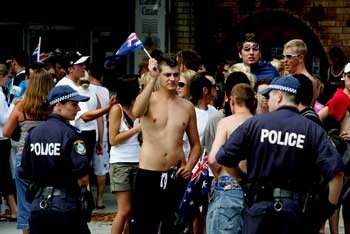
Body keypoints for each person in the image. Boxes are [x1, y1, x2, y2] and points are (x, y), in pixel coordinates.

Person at [216, 76, 344, 234]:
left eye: (269, 96)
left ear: (279, 96)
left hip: (259, 211)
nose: (268, 101)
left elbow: (223, 157)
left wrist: (244, 180)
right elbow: (337, 173)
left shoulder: (255, 124)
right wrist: (324, 212)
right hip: (296, 215)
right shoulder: (312, 129)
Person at [131, 53, 201, 234]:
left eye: (175, 74)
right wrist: (151, 79)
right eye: (167, 75)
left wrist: (190, 166)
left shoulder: (186, 107)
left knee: (176, 226)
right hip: (149, 172)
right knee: (143, 226)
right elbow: (136, 111)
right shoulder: (149, 99)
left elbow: (196, 145)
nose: (172, 79)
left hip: (176, 174)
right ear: (159, 75)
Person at [18, 85, 91, 234]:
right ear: (58, 106)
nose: (78, 109)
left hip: (38, 207)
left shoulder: (34, 133)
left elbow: (24, 171)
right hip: (66, 208)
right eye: (74, 104)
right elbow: (82, 175)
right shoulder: (71, 134)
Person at [3, 68, 55, 234]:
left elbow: (6, 132)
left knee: (25, 208)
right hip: (48, 157)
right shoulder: (52, 107)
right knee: (48, 203)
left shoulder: (21, 108)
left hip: (24, 158)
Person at [207, 83, 256, 234]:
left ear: (232, 101)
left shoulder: (226, 122)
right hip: (255, 190)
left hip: (229, 186)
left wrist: (220, 177)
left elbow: (213, 159)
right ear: (253, 102)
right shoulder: (261, 123)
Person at [109, 76, 141, 234]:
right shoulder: (117, 109)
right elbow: (113, 139)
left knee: (134, 210)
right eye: (139, 86)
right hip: (120, 162)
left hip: (139, 160)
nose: (141, 88)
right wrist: (135, 129)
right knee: (124, 210)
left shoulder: (139, 108)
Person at [0, 63, 17, 221]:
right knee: (5, 175)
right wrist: (14, 105)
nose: (8, 81)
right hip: (1, 139)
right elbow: (5, 119)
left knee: (4, 175)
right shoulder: (0, 94)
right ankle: (13, 209)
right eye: (8, 78)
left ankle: (12, 208)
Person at [282, 39, 319, 106]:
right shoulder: (288, 75)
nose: (284, 60)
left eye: (289, 56)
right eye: (284, 56)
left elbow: (306, 110)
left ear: (300, 58)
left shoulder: (309, 81)